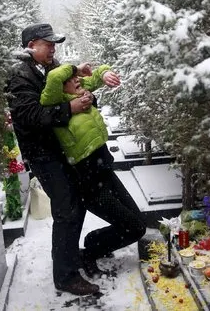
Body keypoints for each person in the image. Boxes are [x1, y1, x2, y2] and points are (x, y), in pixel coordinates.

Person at [5, 23, 98, 296]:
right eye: (48, 43)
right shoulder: (19, 76)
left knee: (74, 205)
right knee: (66, 207)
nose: (53, 48)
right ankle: (66, 276)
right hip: (42, 154)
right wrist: (68, 108)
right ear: (32, 45)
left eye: (54, 43)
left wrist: (84, 91)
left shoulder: (49, 66)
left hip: (59, 147)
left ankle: (68, 259)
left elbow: (67, 85)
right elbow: (29, 117)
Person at [40, 63, 147, 277]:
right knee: (133, 227)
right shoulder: (55, 102)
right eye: (72, 79)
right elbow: (53, 78)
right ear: (61, 87)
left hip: (105, 170)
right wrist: (73, 68)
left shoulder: (78, 93)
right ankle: (91, 251)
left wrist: (105, 73)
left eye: (77, 78)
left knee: (138, 223)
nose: (77, 80)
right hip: (88, 182)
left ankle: (93, 240)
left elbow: (97, 75)